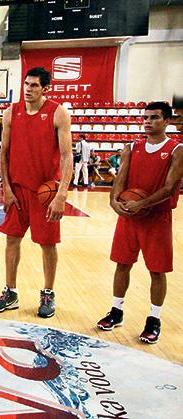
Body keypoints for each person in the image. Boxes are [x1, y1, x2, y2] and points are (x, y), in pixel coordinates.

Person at [0, 67, 73, 318]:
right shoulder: (11, 112)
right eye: (26, 84)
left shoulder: (58, 113)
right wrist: (6, 188)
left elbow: (67, 156)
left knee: (47, 244)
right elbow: (4, 153)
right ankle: (10, 293)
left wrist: (61, 194)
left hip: (45, 191)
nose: (28, 89)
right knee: (11, 239)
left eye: (34, 85)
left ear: (46, 89)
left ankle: (48, 293)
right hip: (18, 190)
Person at [97, 101, 182, 344]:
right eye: (145, 117)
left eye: (154, 117)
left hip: (157, 218)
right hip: (129, 216)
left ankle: (154, 319)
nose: (147, 121)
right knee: (122, 264)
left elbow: (170, 188)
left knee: (157, 270)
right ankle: (116, 311)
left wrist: (142, 204)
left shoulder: (177, 150)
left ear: (167, 121)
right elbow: (120, 179)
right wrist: (114, 201)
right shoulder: (131, 147)